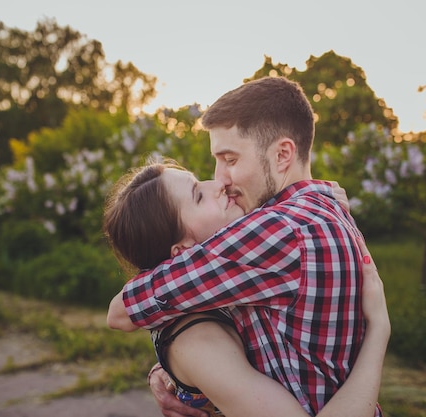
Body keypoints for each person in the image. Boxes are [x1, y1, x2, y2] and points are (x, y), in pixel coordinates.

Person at [107, 76, 381, 416]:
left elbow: (122, 311)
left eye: (230, 160)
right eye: (216, 161)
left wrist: (178, 357)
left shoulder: (278, 229)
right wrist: (182, 377)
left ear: (283, 154)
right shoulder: (323, 206)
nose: (219, 178)